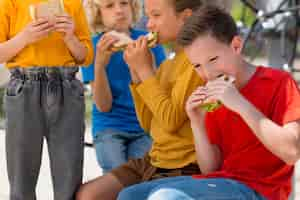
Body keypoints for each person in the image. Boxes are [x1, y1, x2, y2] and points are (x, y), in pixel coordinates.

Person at [117, 5, 300, 200]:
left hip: (260, 189)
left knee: (165, 197)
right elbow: (210, 167)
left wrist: (240, 104)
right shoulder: (212, 94)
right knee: (130, 195)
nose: (207, 73)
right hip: (219, 181)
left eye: (213, 59)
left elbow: (291, 151)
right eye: (197, 65)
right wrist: (196, 121)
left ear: (236, 46)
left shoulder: (278, 82)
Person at [76, 0, 205, 199]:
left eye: (156, 16)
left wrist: (145, 71)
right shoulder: (169, 65)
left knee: (126, 195)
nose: (149, 25)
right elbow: (148, 124)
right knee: (87, 194)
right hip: (153, 160)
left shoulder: (197, 64)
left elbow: (170, 121)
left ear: (186, 17)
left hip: (181, 165)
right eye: (149, 16)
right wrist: (136, 74)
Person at [0, 0, 93, 199]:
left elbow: (85, 56)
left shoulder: (72, 3)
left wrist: (70, 37)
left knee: (69, 182)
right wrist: (24, 37)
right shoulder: (9, 2)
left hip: (66, 87)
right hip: (24, 88)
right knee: (21, 182)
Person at [81, 0, 166, 173]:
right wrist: (100, 65)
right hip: (109, 127)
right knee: (117, 174)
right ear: (98, 13)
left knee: (137, 175)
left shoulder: (150, 42)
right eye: (110, 6)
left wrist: (143, 63)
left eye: (124, 3)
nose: (119, 10)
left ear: (133, 7)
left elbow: (159, 94)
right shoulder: (92, 47)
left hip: (144, 128)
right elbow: (104, 106)